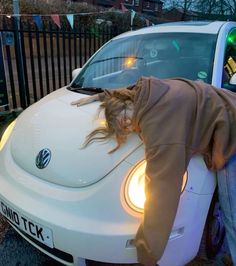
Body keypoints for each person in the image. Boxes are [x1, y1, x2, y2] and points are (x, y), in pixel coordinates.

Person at [71, 76, 236, 266]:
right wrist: (99, 97)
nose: (129, 128)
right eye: (124, 128)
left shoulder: (161, 127)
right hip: (227, 106)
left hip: (232, 130)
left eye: (125, 122)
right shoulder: (146, 90)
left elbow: (162, 194)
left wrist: (147, 254)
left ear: (126, 108)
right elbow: (122, 92)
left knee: (232, 213)